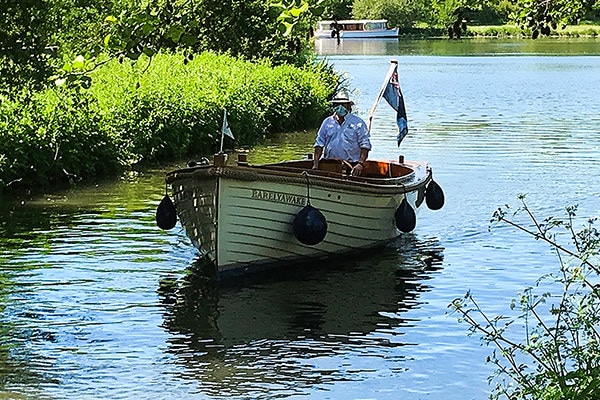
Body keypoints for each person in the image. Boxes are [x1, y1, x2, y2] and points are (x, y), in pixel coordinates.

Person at [313, 91, 371, 176]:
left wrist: (360, 164)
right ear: (334, 106)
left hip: (352, 167)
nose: (340, 107)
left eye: (343, 104)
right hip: (330, 165)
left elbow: (365, 145)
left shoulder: (358, 123)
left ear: (348, 106)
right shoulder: (327, 122)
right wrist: (315, 164)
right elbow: (319, 144)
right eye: (337, 104)